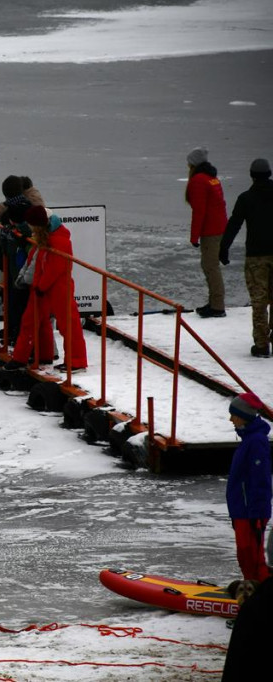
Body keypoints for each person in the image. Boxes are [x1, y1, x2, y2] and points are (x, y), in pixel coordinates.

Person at [5, 205, 88, 373]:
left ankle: (77, 362)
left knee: (68, 325)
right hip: (42, 286)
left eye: (30, 224)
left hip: (58, 288)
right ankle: (27, 357)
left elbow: (55, 268)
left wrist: (41, 286)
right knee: (30, 321)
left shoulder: (59, 240)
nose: (28, 227)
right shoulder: (46, 238)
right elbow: (39, 264)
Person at [220, 158, 273, 358]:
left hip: (256, 257)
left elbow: (234, 224)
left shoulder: (246, 198)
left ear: (252, 175)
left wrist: (223, 248)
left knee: (259, 301)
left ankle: (261, 344)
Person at [226, 392, 271, 583]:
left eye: (233, 415)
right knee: (245, 556)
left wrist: (256, 515)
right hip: (241, 510)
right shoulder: (248, 440)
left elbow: (260, 481)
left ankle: (261, 594)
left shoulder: (256, 442)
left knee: (253, 557)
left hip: (251, 512)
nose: (230, 419)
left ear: (243, 416)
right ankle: (252, 590)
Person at [186, 146, 227, 318]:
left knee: (210, 267)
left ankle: (217, 306)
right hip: (219, 228)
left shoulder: (199, 181)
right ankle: (215, 302)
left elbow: (199, 211)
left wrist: (194, 236)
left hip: (211, 231)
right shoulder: (212, 178)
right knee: (211, 266)